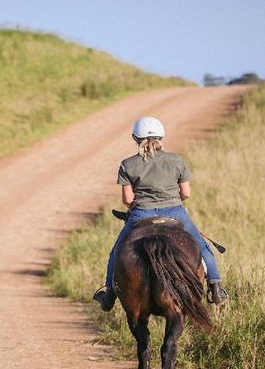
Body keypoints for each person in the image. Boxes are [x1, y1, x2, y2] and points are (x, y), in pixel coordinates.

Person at [93, 117, 227, 312]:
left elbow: (127, 199)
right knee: (203, 247)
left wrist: (138, 207)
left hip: (141, 214)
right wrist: (172, 200)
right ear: (161, 136)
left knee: (117, 251)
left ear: (135, 138)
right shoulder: (176, 160)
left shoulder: (127, 164)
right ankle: (215, 287)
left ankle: (108, 295)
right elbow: (186, 193)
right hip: (175, 211)